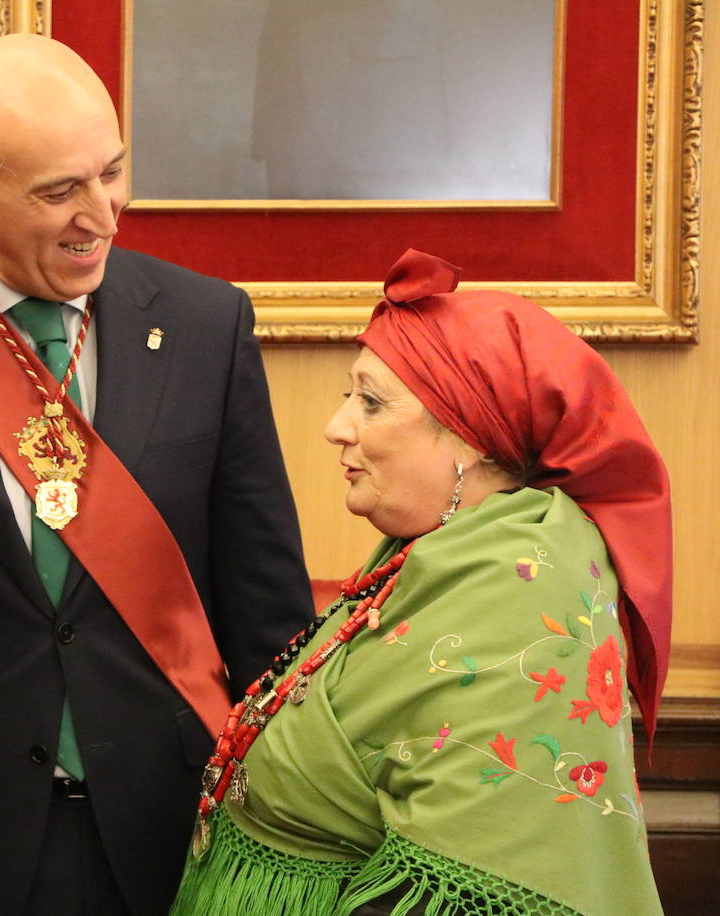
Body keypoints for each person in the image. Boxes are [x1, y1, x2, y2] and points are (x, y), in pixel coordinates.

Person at [0, 34, 313, 916]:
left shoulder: (203, 325)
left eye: (111, 172)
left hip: (167, 837)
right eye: (59, 191)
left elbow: (268, 611)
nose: (103, 215)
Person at [173, 249, 670, 915]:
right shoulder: (434, 557)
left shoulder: (521, 589)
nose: (337, 425)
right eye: (349, 394)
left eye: (371, 402)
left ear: (471, 437)